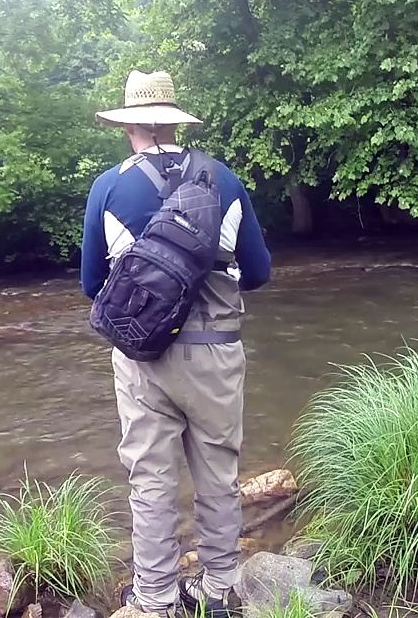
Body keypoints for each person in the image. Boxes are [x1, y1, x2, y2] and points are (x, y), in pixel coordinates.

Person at [81, 72, 271, 618]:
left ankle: (157, 598)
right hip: (216, 353)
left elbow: (93, 287)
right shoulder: (225, 181)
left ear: (128, 127)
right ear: (174, 120)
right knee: (219, 474)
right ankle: (219, 591)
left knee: (151, 480)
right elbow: (257, 273)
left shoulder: (109, 189)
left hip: (143, 359)